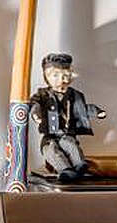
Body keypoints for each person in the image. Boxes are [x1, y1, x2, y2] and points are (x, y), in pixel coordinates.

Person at [30, 53, 105, 181]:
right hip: (50, 135)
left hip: (67, 133)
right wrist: (36, 114)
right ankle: (65, 170)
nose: (61, 80)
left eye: (65, 76)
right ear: (47, 77)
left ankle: (79, 164)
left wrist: (97, 112)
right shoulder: (42, 94)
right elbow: (34, 104)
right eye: (55, 76)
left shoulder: (74, 95)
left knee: (71, 144)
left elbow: (83, 109)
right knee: (50, 150)